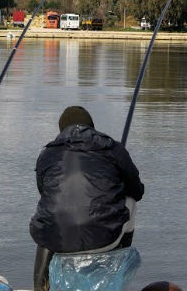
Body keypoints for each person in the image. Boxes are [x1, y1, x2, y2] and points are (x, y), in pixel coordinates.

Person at [30, 106, 145, 291]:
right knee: (130, 200)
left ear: (61, 130)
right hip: (105, 239)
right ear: (92, 127)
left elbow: (43, 192)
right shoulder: (112, 148)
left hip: (57, 240)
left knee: (50, 211)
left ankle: (39, 285)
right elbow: (137, 191)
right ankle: (115, 265)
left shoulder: (46, 154)